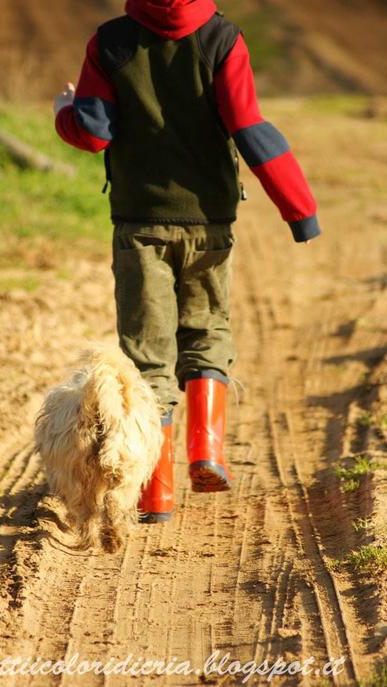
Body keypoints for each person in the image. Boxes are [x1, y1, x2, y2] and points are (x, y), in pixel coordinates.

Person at [53, 0, 321, 523]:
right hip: (209, 221)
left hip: (140, 221)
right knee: (206, 331)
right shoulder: (223, 39)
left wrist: (64, 110)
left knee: (147, 354)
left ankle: (157, 493)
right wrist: (300, 210)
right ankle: (208, 451)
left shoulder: (110, 42)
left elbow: (92, 133)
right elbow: (249, 126)